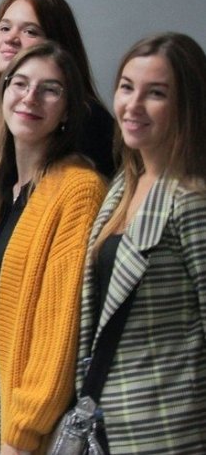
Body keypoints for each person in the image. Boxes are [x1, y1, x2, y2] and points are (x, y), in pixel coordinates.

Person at [78, 33, 206, 452]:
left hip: (171, 428)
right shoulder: (122, 186)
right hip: (106, 420)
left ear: (187, 105)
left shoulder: (191, 198)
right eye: (126, 87)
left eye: (156, 93)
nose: (132, 106)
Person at [0, 42, 106, 454]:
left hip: (33, 429)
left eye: (50, 89)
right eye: (20, 83)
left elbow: (60, 329)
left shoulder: (78, 190)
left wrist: (24, 434)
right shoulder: (11, 189)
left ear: (67, 110)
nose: (30, 97)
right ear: (4, 92)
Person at [0, 0, 116, 178]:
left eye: (30, 31)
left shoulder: (87, 120)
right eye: (5, 28)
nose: (10, 39)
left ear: (57, 45)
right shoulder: (8, 111)